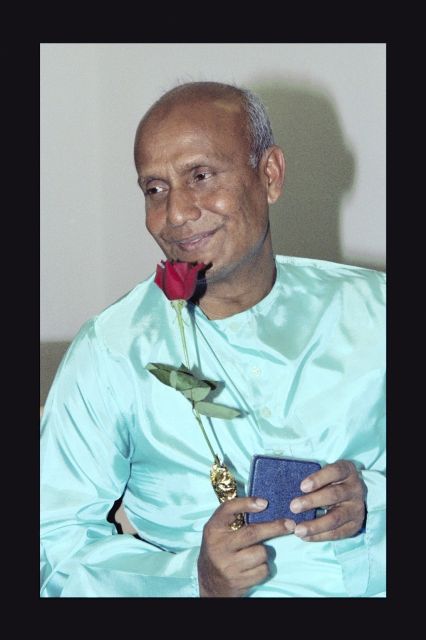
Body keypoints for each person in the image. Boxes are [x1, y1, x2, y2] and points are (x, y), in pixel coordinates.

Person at [40, 81, 385, 597]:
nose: (176, 213)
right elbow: (51, 545)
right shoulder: (112, 351)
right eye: (155, 189)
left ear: (270, 175)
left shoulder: (377, 312)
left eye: (200, 176)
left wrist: (374, 502)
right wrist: (192, 582)